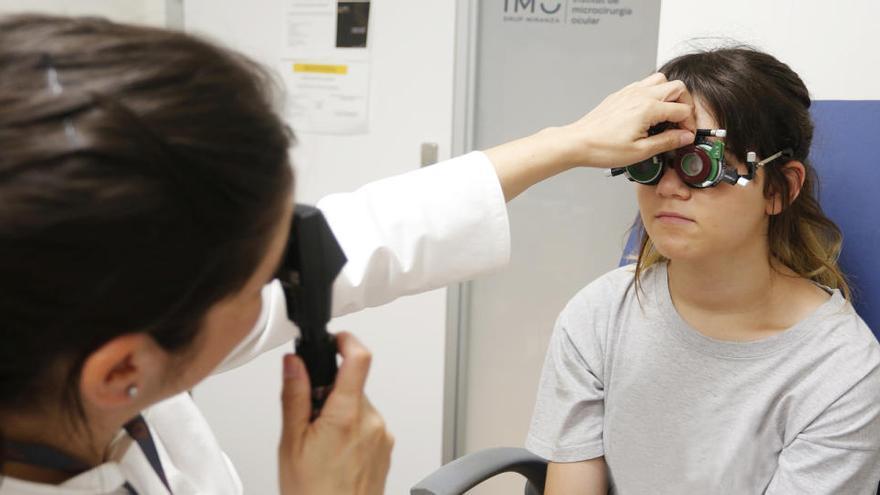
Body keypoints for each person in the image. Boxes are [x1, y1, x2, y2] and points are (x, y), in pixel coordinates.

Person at [0, 14, 696, 495]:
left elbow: (367, 232)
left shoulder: (68, 329)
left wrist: (569, 142)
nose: (298, 273)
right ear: (123, 369)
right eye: (267, 272)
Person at [525, 47, 880, 494]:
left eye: (699, 163)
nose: (668, 187)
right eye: (652, 160)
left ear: (780, 189)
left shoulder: (839, 372)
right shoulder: (598, 316)